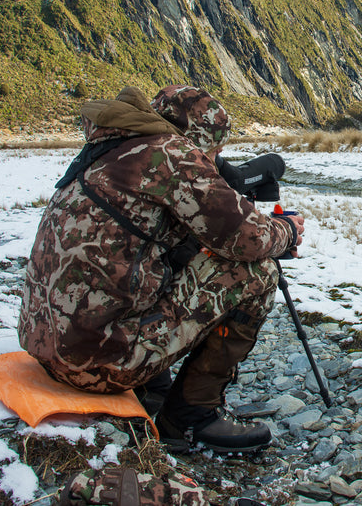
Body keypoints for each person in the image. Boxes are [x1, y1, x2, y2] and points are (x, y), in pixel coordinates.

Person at [17, 85, 304, 453]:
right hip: (96, 366)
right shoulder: (171, 153)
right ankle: (190, 417)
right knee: (258, 273)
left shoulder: (110, 147)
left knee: (167, 255)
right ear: (199, 138)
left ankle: (152, 388)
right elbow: (247, 239)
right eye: (214, 150)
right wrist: (287, 230)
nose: (214, 160)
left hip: (45, 346)